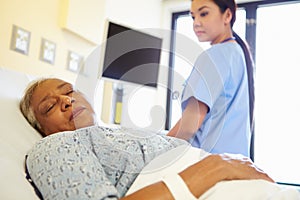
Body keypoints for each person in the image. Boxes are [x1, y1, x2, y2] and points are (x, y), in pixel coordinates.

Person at [20, 78, 274, 200]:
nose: (67, 101)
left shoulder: (120, 133)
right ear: (41, 127)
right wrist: (217, 167)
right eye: (50, 106)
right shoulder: (53, 147)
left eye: (68, 92)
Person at [167, 0, 255, 157]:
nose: (196, 23)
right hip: (233, 166)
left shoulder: (215, 55)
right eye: (193, 17)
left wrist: (155, 149)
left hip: (207, 165)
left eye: (204, 14)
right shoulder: (237, 53)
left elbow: (189, 126)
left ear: (227, 15)